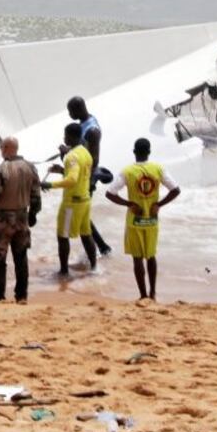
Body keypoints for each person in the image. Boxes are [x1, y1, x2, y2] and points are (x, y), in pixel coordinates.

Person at [106, 138, 181, 302]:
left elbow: (110, 193)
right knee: (151, 256)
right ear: (149, 152)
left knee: (137, 258)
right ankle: (153, 293)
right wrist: (159, 204)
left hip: (135, 221)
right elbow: (176, 190)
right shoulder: (158, 169)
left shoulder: (127, 171)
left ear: (134, 152)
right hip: (152, 221)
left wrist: (129, 204)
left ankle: (143, 295)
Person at [0, 137, 41, 303]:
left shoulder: (1, 170)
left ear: (7, 148)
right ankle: (21, 295)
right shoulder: (30, 168)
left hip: (3, 218)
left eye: (2, 147)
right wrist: (33, 214)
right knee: (21, 257)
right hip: (22, 217)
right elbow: (36, 195)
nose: (0, 150)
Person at [42, 123, 97, 276]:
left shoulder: (71, 156)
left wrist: (49, 184)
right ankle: (94, 268)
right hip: (85, 200)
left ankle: (64, 271)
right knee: (86, 234)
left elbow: (72, 180)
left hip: (72, 203)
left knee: (62, 236)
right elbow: (78, 175)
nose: (64, 138)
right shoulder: (85, 153)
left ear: (71, 136)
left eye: (65, 135)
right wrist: (62, 170)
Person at [66, 96, 113, 256]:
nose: (69, 115)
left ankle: (99, 252)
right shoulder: (84, 123)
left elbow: (94, 158)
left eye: (70, 111)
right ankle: (102, 249)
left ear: (78, 109)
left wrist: (88, 181)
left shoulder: (92, 130)